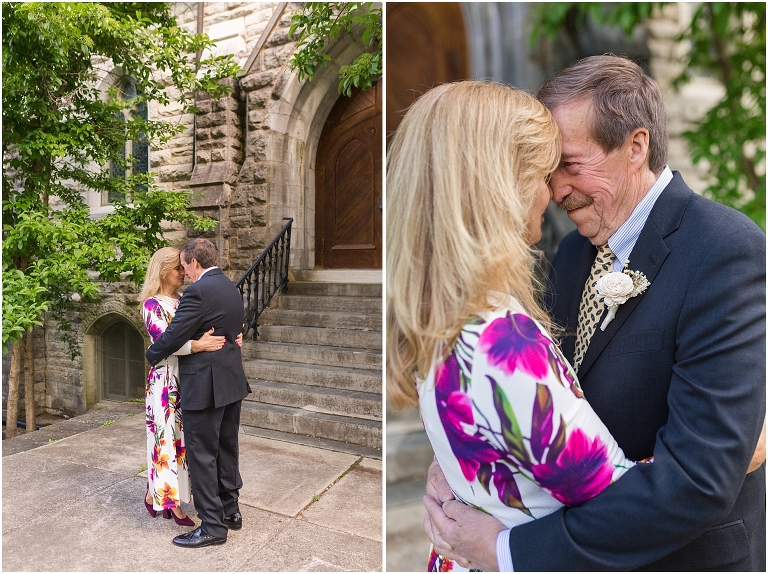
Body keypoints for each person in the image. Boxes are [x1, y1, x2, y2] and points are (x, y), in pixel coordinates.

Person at [423, 55, 766, 571]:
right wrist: (467, 461)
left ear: (635, 146)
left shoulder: (723, 249)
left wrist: (506, 551)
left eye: (570, 164)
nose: (555, 189)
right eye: (545, 169)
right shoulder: (572, 254)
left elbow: (700, 478)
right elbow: (537, 407)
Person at [387, 80, 654, 572]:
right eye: (539, 174)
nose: (551, 194)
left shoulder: (442, 321)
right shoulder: (500, 341)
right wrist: (729, 450)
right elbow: (623, 507)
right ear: (499, 186)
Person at [146, 238, 251, 548]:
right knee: (226, 449)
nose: (184, 272)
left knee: (203, 455)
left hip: (205, 386)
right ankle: (231, 511)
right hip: (231, 381)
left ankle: (213, 527)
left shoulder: (197, 291)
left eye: (185, 265)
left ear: (193, 263)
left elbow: (174, 334)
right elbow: (233, 326)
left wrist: (153, 354)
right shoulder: (229, 287)